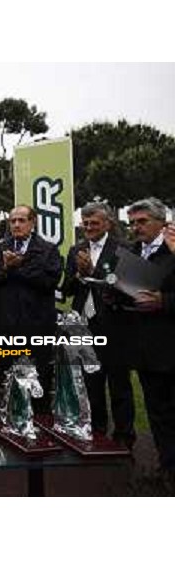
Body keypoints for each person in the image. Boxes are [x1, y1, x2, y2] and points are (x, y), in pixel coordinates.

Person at [62, 201, 135, 447]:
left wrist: (94, 272)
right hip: (83, 325)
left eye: (95, 223)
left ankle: (124, 436)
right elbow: (67, 289)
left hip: (114, 325)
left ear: (108, 223)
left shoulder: (124, 248)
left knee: (118, 383)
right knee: (90, 383)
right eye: (86, 223)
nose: (89, 227)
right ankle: (97, 430)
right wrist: (79, 275)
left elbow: (126, 287)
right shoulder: (76, 249)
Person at [111, 198, 175, 470]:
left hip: (171, 343)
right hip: (144, 349)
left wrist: (164, 302)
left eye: (142, 221)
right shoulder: (132, 251)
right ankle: (166, 466)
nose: (136, 227)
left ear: (163, 222)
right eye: (132, 222)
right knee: (157, 412)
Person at [0, 205, 62, 414]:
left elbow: (49, 282)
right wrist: (5, 269)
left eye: (21, 220)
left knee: (39, 376)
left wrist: (19, 267)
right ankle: (11, 418)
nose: (16, 224)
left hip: (38, 326)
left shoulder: (48, 249)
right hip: (6, 325)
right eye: (13, 221)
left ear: (32, 223)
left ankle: (41, 423)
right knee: (8, 376)